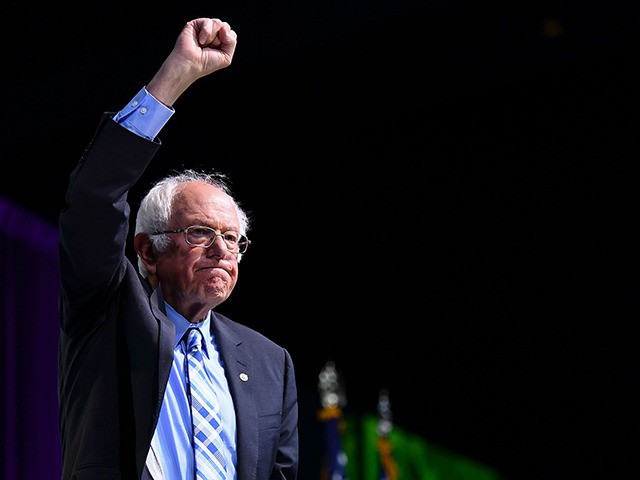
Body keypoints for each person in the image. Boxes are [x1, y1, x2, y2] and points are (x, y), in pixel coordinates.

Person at [57, 17, 299, 480]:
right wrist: (176, 75)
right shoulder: (107, 313)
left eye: (232, 239)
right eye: (200, 234)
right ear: (148, 252)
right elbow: (94, 199)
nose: (222, 250)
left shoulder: (271, 363)